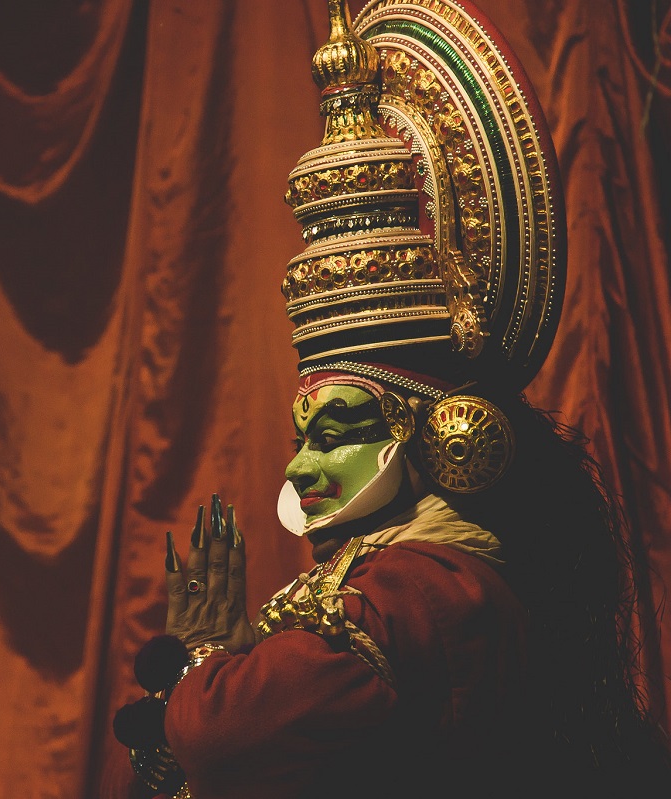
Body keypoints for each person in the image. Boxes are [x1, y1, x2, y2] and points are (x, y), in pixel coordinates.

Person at [106, 1, 671, 796]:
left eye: (337, 429)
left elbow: (221, 734)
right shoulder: (394, 575)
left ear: (438, 434)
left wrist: (205, 658)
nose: (301, 463)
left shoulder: (431, 585)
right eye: (304, 433)